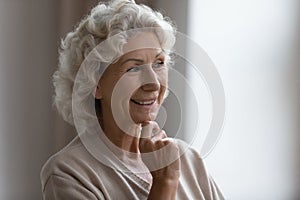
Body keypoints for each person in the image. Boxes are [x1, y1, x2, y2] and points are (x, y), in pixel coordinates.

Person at [40, 0, 225, 199]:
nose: (153, 83)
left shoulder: (189, 159)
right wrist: (165, 181)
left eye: (159, 63)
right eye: (133, 68)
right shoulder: (69, 173)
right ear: (95, 83)